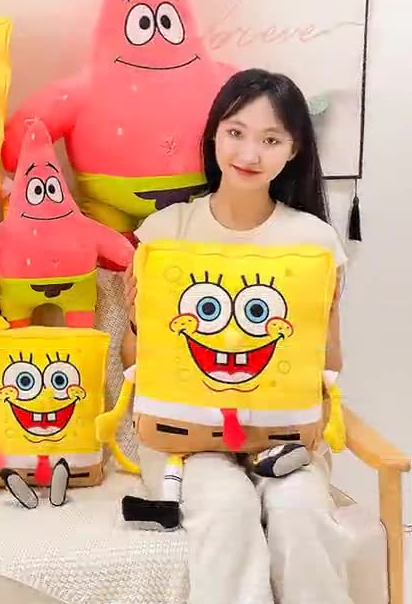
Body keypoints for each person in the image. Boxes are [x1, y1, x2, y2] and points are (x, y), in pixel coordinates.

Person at [121, 68, 352, 604]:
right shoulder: (166, 231)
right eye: (236, 132)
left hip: (283, 434)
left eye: (271, 140)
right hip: (183, 439)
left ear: (294, 150)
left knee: (299, 508)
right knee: (226, 507)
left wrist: (326, 311)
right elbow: (135, 362)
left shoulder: (313, 241)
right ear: (214, 135)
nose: (249, 153)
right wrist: (135, 316)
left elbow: (329, 363)